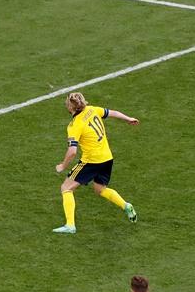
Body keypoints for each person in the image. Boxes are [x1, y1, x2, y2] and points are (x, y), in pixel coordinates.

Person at [52, 91, 139, 234]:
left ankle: (70, 225)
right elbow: (113, 112)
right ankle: (126, 205)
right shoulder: (92, 109)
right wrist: (128, 118)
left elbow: (72, 151)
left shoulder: (74, 125)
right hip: (107, 158)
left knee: (66, 188)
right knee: (100, 189)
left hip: (92, 161)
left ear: (71, 108)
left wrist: (62, 165)